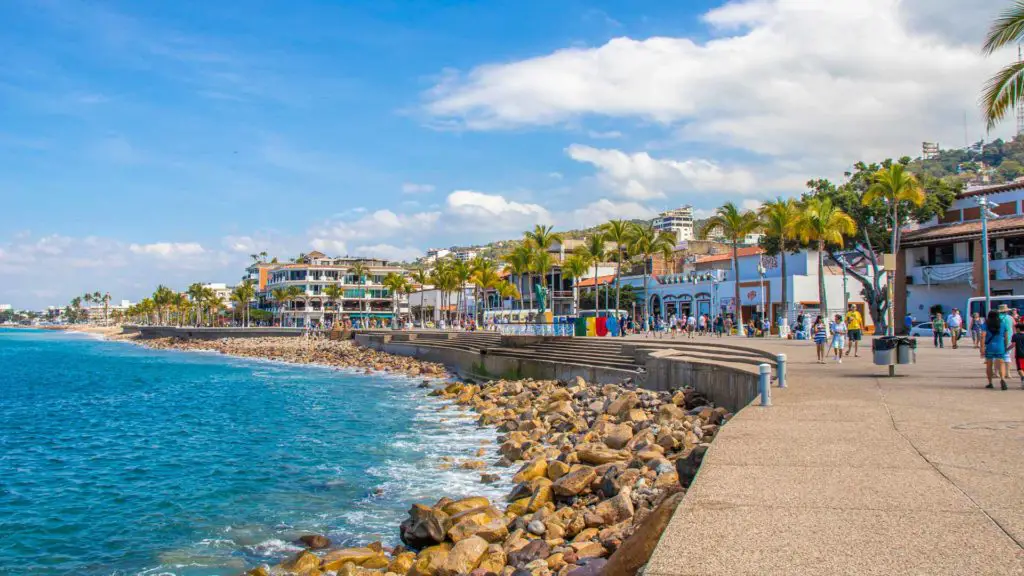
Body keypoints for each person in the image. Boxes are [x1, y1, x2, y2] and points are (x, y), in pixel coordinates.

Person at [981, 309, 1010, 390]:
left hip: (990, 346)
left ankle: (990, 383)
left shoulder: (986, 324)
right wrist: (1005, 346)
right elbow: (1006, 337)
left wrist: (982, 347)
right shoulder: (1003, 324)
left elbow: (983, 336)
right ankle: (1002, 379)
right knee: (1001, 364)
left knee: (989, 364)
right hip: (1000, 346)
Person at [1013, 322, 1024, 389]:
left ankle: (1023, 379)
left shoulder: (1016, 335)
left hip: (1019, 354)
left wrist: (1006, 349)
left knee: (1020, 369)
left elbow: (1013, 344)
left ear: (1018, 329)